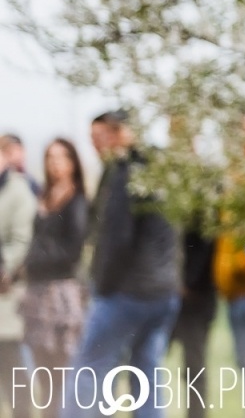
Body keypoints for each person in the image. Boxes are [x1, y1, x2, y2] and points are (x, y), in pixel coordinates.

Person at [61, 112, 179, 418]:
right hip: (164, 292)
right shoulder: (163, 168)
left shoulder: (124, 172)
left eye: (98, 138)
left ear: (117, 134)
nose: (95, 147)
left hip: (127, 292)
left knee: (89, 371)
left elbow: (116, 239)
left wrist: (101, 284)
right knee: (147, 377)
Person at [20, 139, 88, 418]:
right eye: (50, 157)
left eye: (61, 157)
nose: (55, 163)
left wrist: (33, 262)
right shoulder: (43, 197)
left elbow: (72, 251)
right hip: (37, 295)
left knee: (63, 372)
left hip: (62, 294)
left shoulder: (77, 200)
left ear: (72, 162)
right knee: (44, 376)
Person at [0, 146, 35, 418]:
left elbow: (21, 240)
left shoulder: (18, 191)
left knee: (11, 363)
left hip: (5, 294)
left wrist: (5, 268)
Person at [170, 229, 215, 418]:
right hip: (171, 295)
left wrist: (189, 284)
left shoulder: (201, 208)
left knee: (194, 369)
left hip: (194, 302)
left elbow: (207, 245)